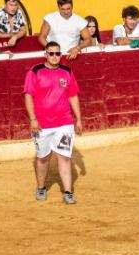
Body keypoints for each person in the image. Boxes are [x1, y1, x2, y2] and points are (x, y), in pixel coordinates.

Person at [23, 42, 81, 205]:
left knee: (64, 157)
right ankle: (41, 187)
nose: (55, 56)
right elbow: (28, 96)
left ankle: (68, 192)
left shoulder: (67, 71)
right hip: (42, 124)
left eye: (57, 53)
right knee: (43, 158)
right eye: (51, 53)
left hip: (64, 122)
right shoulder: (35, 72)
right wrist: (33, 119)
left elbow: (73, 96)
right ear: (45, 54)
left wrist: (79, 118)